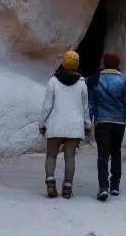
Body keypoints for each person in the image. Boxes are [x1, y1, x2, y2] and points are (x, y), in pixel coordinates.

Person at [39, 50, 91, 199]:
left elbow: (47, 105)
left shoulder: (53, 81)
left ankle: (50, 182)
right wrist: (88, 125)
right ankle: (67, 187)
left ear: (63, 62)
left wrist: (42, 123)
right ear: (77, 65)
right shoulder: (82, 84)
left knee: (51, 155)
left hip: (56, 124)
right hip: (74, 126)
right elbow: (85, 108)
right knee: (70, 158)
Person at [87, 52, 126, 201]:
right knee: (116, 153)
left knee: (103, 155)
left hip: (102, 121)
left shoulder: (95, 79)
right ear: (117, 64)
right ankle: (115, 186)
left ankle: (103, 187)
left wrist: (88, 123)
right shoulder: (123, 81)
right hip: (119, 123)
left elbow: (90, 104)